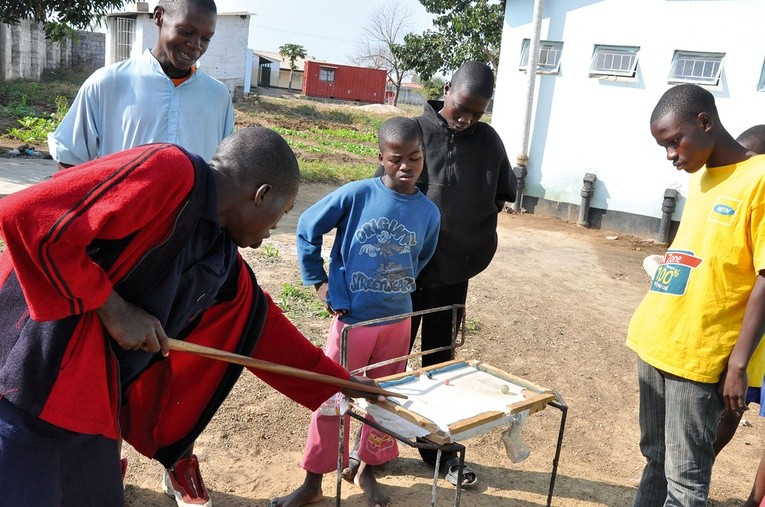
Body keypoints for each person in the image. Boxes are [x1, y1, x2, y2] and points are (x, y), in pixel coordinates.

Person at [0, 127, 382, 507]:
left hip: (92, 394)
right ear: (261, 194)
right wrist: (115, 309)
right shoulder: (170, 170)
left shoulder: (221, 254)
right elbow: (25, 214)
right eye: (280, 214)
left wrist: (344, 384)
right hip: (30, 376)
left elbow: (265, 333)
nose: (274, 229)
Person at [273, 117, 441, 507]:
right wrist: (319, 282)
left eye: (414, 157)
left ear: (423, 157)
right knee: (332, 398)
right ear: (380, 157)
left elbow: (422, 258)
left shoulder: (429, 213)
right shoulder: (356, 195)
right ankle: (313, 481)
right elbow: (307, 227)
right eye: (396, 158)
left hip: (398, 322)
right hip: (354, 324)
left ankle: (366, 470)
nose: (406, 166)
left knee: (383, 400)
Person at [374, 60, 516, 487]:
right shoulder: (413, 131)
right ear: (447, 88)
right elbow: (379, 194)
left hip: (451, 276)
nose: (467, 119)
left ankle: (440, 452)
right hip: (400, 276)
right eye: (461, 108)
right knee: (386, 364)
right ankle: (369, 451)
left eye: (477, 112)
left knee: (439, 365)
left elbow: (503, 193)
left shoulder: (489, 142)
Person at [627, 84, 765, 506]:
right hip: (657, 341)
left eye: (673, 141)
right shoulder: (704, 176)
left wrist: (738, 362)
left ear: (704, 122)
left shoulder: (759, 179)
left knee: (685, 482)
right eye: (664, 146)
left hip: (699, 356)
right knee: (655, 459)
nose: (671, 155)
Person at [47, 0, 233, 169]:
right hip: (122, 207)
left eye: (206, 38)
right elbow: (69, 158)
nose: (196, 45)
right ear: (159, 16)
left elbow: (225, 172)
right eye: (186, 31)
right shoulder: (108, 83)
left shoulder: (218, 97)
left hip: (194, 208)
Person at [712, 124, 765, 507]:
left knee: (734, 404)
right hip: (732, 334)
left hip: (754, 345)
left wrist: (740, 360)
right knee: (729, 405)